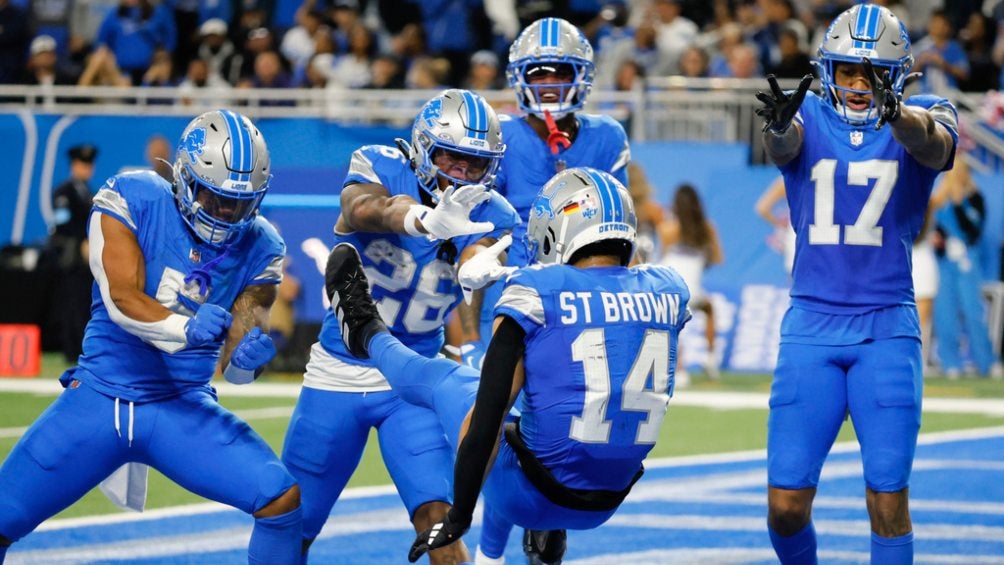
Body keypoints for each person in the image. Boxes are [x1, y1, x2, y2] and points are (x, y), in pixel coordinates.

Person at [326, 167, 690, 565]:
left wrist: (459, 515)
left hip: (528, 497)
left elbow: (486, 419)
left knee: (448, 380)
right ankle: (543, 534)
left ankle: (364, 329)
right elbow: (606, 305)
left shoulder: (536, 291)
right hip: (606, 502)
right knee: (534, 411)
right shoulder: (669, 289)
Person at [0, 110, 303, 564]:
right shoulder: (133, 197)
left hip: (181, 404)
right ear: (184, 177)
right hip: (104, 395)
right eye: (215, 197)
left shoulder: (262, 246)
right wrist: (185, 328)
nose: (225, 213)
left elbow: (235, 366)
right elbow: (121, 297)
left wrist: (247, 362)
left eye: (238, 204)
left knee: (280, 499)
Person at [754, 4, 958, 563]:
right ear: (828, 70)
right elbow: (783, 146)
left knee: (887, 500)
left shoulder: (926, 112)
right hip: (810, 328)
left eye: (872, 74)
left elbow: (934, 146)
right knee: (785, 507)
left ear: (896, 75)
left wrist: (898, 116)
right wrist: (776, 127)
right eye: (847, 71)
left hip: (886, 329)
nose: (859, 84)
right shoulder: (807, 113)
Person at [280, 89, 519, 564]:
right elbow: (363, 209)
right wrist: (422, 219)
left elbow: (478, 253)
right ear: (424, 148)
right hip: (339, 369)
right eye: (451, 157)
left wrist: (475, 265)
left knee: (439, 521)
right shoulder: (382, 165)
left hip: (413, 377)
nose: (462, 174)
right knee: (291, 523)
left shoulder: (492, 211)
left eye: (476, 163)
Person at [459, 16, 631, 373]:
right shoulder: (499, 136)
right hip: (513, 299)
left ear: (581, 76)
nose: (549, 83)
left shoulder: (607, 136)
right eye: (538, 73)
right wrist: (470, 340)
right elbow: (477, 244)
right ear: (519, 76)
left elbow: (623, 236)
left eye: (561, 72)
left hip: (585, 304)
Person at [930, 153, 1003, 379]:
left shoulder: (974, 198)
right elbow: (933, 230)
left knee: (973, 312)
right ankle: (950, 362)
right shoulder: (939, 201)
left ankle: (987, 362)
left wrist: (958, 202)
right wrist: (939, 241)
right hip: (944, 263)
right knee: (945, 313)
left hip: (967, 262)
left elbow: (974, 231)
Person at [658, 183, 724, 383]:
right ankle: (710, 358)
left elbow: (662, 259)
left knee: (673, 322)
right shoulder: (707, 228)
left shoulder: (667, 229)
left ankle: (679, 368)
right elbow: (718, 258)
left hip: (670, 289)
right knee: (709, 309)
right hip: (693, 291)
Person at [43, 143, 99, 361]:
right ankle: (71, 349)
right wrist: (82, 240)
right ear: (74, 165)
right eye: (83, 164)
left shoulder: (88, 193)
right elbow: (62, 224)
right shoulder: (63, 192)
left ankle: (83, 347)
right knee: (71, 302)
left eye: (89, 164)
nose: (87, 168)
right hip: (71, 257)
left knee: (84, 302)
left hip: (87, 258)